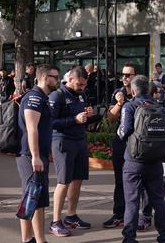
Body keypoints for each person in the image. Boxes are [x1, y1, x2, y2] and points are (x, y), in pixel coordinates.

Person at [118, 75, 165, 243]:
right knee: (158, 201)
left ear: (133, 90)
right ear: (149, 90)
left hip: (134, 163)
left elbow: (124, 131)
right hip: (156, 162)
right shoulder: (159, 107)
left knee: (132, 202)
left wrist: (119, 132)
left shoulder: (130, 106)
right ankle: (164, 236)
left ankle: (129, 238)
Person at [48, 66, 94, 237]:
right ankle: (55, 221)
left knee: (77, 180)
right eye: (80, 84)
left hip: (79, 140)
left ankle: (71, 216)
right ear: (70, 79)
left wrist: (88, 114)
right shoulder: (57, 95)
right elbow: (50, 122)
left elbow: (82, 116)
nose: (82, 87)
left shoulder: (81, 94)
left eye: (84, 84)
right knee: (63, 182)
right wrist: (73, 120)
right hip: (63, 141)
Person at [16, 64, 59, 243]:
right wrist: (35, 156)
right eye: (55, 77)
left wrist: (46, 151)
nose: (58, 80)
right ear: (44, 77)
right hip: (30, 155)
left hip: (36, 154)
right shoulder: (34, 97)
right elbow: (32, 128)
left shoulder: (42, 97)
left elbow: (42, 128)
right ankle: (40, 240)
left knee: (30, 196)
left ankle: (28, 239)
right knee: (36, 198)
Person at [102, 63, 136, 229]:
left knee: (140, 181)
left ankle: (142, 216)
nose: (125, 77)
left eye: (129, 75)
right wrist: (119, 103)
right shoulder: (118, 93)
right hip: (120, 141)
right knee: (120, 180)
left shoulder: (143, 92)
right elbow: (110, 118)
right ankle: (119, 214)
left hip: (138, 143)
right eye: (123, 74)